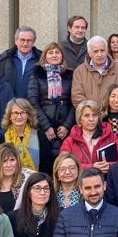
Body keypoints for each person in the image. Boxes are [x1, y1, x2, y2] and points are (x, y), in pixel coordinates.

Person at [27, 42, 75, 175]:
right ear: (45, 56)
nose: (54, 55)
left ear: (62, 56)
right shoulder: (37, 74)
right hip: (43, 127)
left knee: (64, 165)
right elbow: (33, 101)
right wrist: (46, 126)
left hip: (65, 128)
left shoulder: (70, 75)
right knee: (45, 165)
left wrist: (67, 125)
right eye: (51, 52)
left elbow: (74, 103)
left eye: (57, 52)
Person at [60, 100, 118, 174]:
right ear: (79, 119)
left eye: (94, 115)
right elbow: (62, 164)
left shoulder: (111, 137)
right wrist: (91, 167)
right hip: (81, 183)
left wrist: (109, 166)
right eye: (86, 115)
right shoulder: (69, 142)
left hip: (107, 182)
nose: (91, 119)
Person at [71, 35, 118, 107]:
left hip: (111, 115)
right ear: (89, 53)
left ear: (107, 50)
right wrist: (92, 114)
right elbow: (77, 97)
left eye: (102, 50)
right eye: (95, 51)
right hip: (89, 116)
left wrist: (107, 112)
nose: (100, 54)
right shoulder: (79, 71)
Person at [0, 26, 41, 99]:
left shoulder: (41, 59)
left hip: (33, 106)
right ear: (16, 41)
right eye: (22, 40)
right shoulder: (4, 59)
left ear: (33, 42)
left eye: (29, 40)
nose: (25, 44)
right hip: (9, 106)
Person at [2, 97, 41, 171]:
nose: (19, 116)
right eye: (16, 113)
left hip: (35, 180)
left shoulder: (39, 136)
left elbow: (46, 162)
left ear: (28, 115)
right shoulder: (2, 139)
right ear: (10, 116)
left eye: (23, 112)